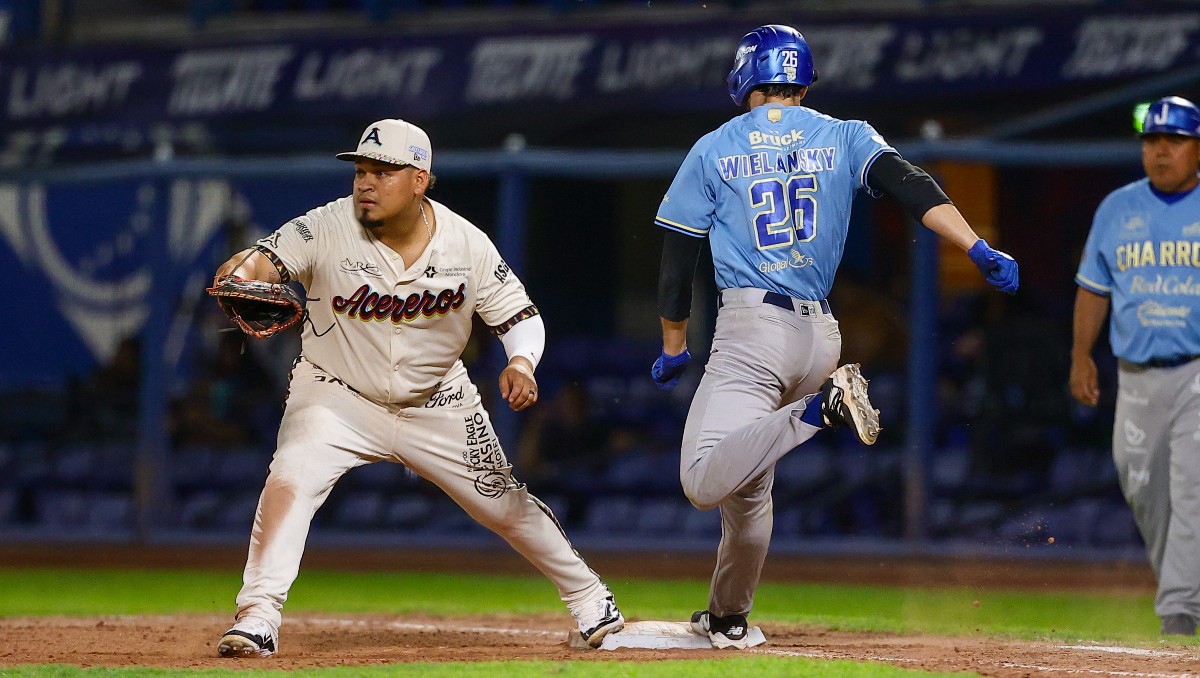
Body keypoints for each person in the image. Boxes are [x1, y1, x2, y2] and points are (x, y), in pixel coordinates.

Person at [649, 24, 1019, 649]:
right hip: (821, 335)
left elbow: (676, 256)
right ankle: (729, 617)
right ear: (802, 80)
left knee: (702, 477)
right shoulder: (844, 133)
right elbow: (910, 184)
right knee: (749, 483)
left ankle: (823, 410)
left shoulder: (715, 147)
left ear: (745, 79)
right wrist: (974, 243)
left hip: (751, 330)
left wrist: (673, 344)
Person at [211, 118, 624, 657]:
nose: (366, 182)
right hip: (336, 395)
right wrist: (242, 272)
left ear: (420, 179)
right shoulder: (324, 227)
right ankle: (258, 616)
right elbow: (259, 261)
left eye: (383, 171)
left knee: (503, 504)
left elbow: (520, 315)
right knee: (290, 479)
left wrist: (521, 362)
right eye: (361, 170)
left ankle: (593, 600)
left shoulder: (466, 245)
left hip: (437, 401)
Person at [1070, 95, 1200, 637]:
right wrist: (1080, 355)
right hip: (1136, 376)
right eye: (1152, 141)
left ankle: (1180, 611)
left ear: (1196, 148)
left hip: (1197, 370)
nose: (1161, 150)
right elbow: (1094, 289)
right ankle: (1185, 586)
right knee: (1142, 486)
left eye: (1173, 140)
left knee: (1193, 486)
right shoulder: (1117, 208)